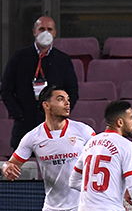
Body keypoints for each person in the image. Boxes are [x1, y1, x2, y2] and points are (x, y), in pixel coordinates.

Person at [1, 16, 79, 150]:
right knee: (23, 168)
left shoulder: (63, 60)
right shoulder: (19, 58)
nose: (46, 33)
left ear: (55, 33)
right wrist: (18, 114)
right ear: (34, 32)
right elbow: (6, 89)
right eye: (42, 29)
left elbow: (72, 91)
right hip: (24, 126)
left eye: (49, 29)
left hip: (54, 128)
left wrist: (61, 114)